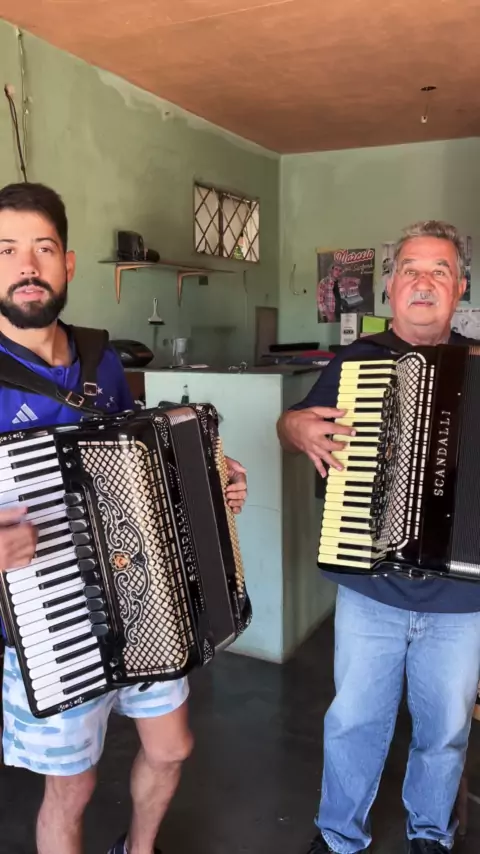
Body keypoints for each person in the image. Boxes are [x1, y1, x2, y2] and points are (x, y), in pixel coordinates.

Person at [0, 182, 248, 854]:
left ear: (67, 263)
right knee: (71, 791)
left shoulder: (100, 359)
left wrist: (208, 483)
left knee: (171, 749)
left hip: (142, 598)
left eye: (43, 248)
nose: (27, 265)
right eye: (7, 250)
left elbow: (135, 460)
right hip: (50, 624)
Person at [277, 221, 480, 854]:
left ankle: (431, 834)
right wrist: (293, 427)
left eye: (440, 271)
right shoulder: (357, 361)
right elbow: (296, 425)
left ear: (460, 288)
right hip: (371, 586)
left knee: (445, 732)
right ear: (391, 288)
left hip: (462, 600)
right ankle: (341, 836)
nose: (424, 282)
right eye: (411, 269)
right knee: (353, 722)